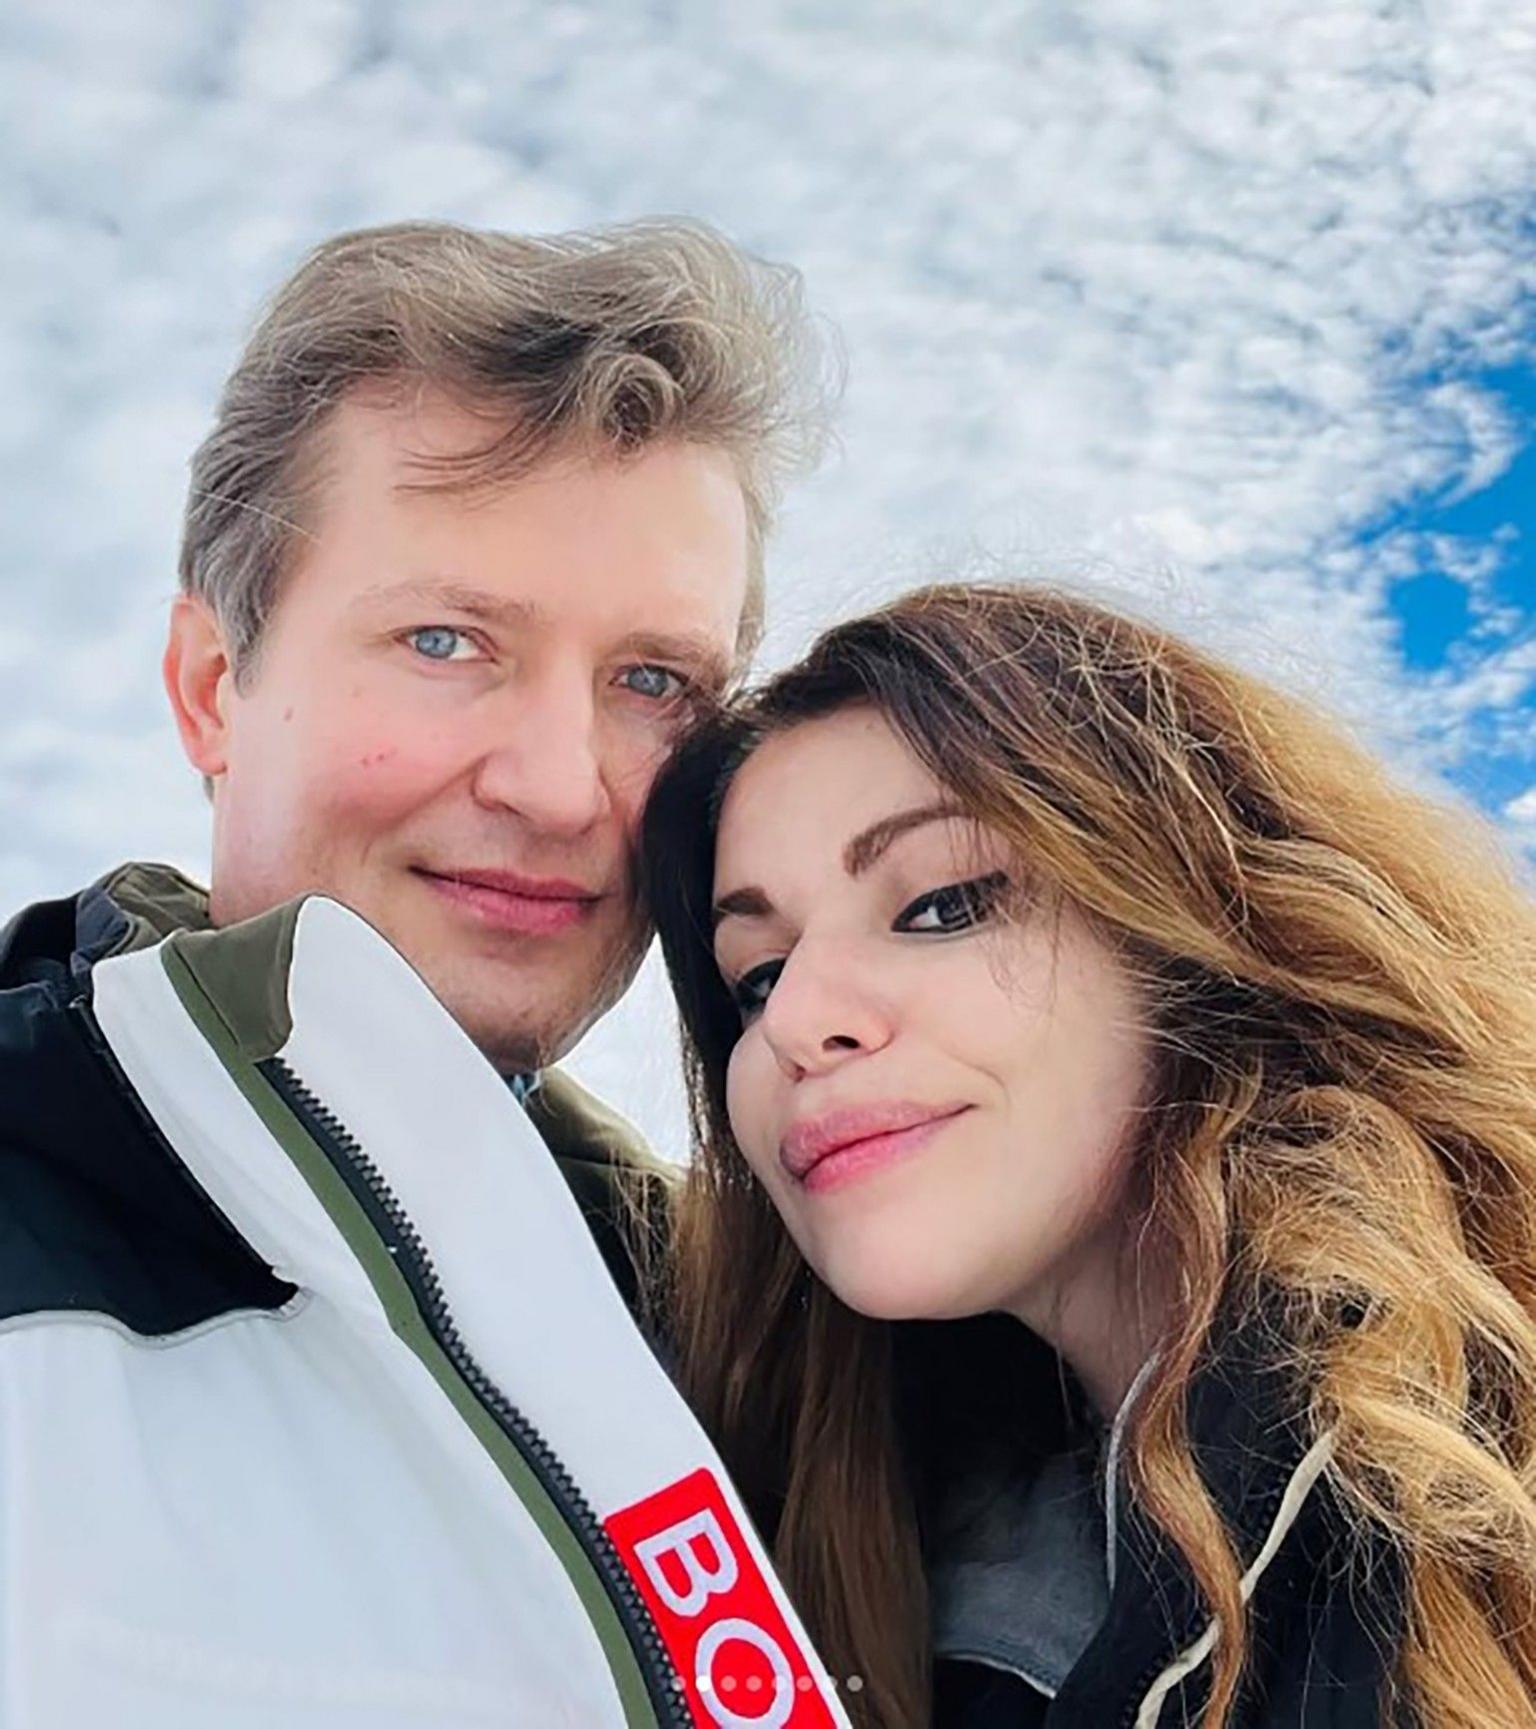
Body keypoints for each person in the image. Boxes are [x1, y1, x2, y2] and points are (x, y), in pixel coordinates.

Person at [0, 219, 849, 1726]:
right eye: (446, 639)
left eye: (652, 682)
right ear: (213, 688)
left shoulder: (763, 1332)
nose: (558, 787)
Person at [642, 581, 1536, 1729]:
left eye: (942, 904)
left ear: (1190, 929)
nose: (796, 1019)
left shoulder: (1472, 1496)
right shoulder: (892, 1584)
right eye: (755, 976)